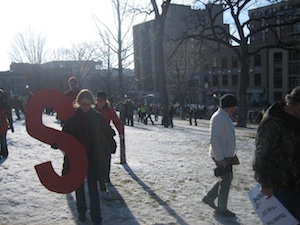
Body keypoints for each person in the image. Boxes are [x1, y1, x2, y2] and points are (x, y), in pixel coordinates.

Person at [62, 89, 112, 225]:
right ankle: (82, 212)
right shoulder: (71, 118)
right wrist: (57, 143)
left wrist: (109, 141)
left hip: (92, 156)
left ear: (91, 104)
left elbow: (108, 131)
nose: (85, 107)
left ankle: (96, 217)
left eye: (87, 105)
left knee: (92, 187)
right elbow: (64, 135)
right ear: (78, 103)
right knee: (79, 187)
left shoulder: (97, 117)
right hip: (77, 158)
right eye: (83, 104)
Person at [253, 86, 300, 221]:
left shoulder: (295, 122)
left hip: (295, 186)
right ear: (296, 105)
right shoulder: (273, 124)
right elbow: (260, 158)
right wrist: (265, 184)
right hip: (280, 189)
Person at [202, 93, 238, 217]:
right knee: (226, 179)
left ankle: (209, 198)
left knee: (226, 178)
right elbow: (214, 139)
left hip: (226, 154)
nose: (235, 109)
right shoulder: (218, 118)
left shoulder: (225, 116)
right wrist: (220, 158)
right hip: (221, 155)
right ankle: (221, 208)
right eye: (233, 106)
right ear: (227, 106)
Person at [95, 91, 124, 186]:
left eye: (102, 101)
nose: (100, 103)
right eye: (98, 100)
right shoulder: (92, 109)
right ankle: (97, 176)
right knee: (96, 158)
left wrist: (121, 133)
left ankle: (106, 177)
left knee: (106, 158)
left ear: (105, 101)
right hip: (94, 137)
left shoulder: (109, 110)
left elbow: (116, 121)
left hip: (105, 137)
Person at [0, 89, 14, 158]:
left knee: (3, 140)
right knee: (3, 140)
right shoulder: (5, 104)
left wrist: (11, 125)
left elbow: (9, 115)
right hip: (3, 124)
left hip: (3, 124)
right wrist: (11, 125)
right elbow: (9, 115)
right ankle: (4, 153)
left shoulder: (5, 104)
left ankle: (4, 153)